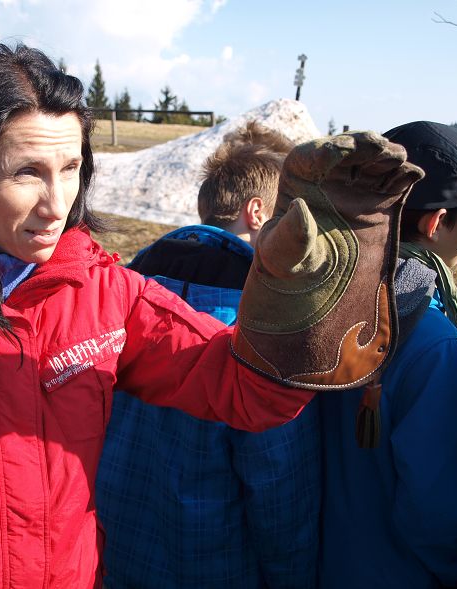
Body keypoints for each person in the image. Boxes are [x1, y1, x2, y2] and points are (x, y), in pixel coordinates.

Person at [0, 44, 421, 589]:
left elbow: (245, 392)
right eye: (27, 172)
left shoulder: (105, 294)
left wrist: (295, 294)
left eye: (70, 168)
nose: (56, 203)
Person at [96, 122, 321, 588]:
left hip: (110, 552)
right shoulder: (257, 330)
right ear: (256, 213)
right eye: (288, 218)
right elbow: (279, 489)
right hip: (214, 564)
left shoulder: (123, 294)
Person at [317, 121, 457, 589]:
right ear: (435, 223)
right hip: (396, 573)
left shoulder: (313, 298)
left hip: (314, 560)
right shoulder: (432, 342)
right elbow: (435, 509)